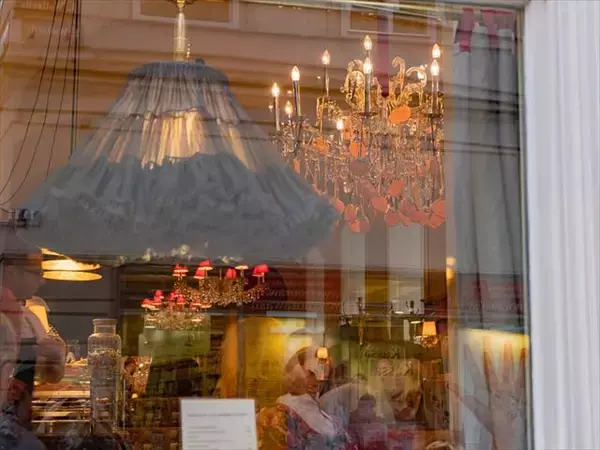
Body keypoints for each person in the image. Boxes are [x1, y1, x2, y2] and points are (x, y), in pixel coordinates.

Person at [0, 248, 66, 449]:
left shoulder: (30, 318)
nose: (42, 280)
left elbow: (51, 376)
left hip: (17, 423)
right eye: (36, 272)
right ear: (10, 271)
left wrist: (55, 359)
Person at [256, 347, 356, 450]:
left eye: (320, 373)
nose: (318, 379)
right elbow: (328, 434)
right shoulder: (288, 405)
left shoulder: (315, 401)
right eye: (311, 374)